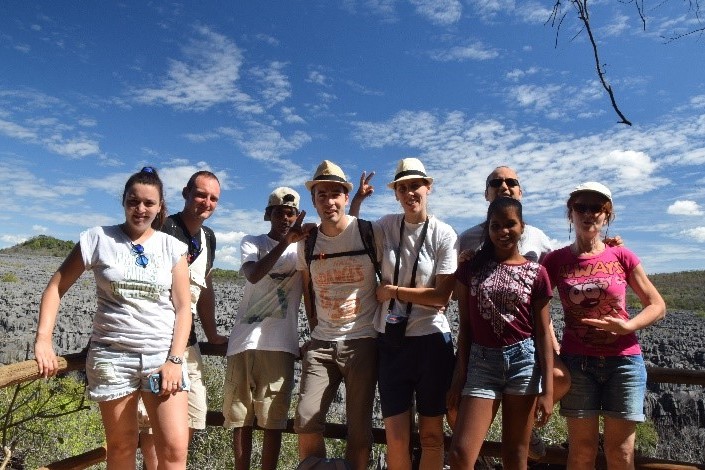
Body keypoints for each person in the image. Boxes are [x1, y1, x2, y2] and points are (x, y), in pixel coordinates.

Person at [34, 167, 192, 469]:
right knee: (121, 447)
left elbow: (184, 307)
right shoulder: (98, 239)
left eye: (149, 203)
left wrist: (175, 360)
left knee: (174, 452)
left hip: (161, 358)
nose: (141, 209)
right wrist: (43, 339)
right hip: (112, 358)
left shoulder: (173, 247)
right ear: (124, 201)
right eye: (134, 201)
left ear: (160, 207)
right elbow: (56, 287)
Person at [541, 182, 665, 470]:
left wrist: (627, 326)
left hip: (624, 362)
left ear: (607, 215)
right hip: (577, 363)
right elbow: (539, 309)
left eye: (596, 208)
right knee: (581, 452)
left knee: (620, 454)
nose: (588, 213)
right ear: (570, 213)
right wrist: (553, 347)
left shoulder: (622, 256)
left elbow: (657, 304)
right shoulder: (556, 260)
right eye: (580, 207)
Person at [454, 165, 569, 460]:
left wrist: (546, 388)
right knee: (461, 453)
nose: (503, 231)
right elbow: (465, 325)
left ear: (522, 226)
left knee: (515, 454)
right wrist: (459, 376)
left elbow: (542, 330)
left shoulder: (537, 269)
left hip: (523, 361)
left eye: (510, 225)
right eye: (496, 226)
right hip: (482, 361)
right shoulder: (470, 264)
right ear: (487, 227)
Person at [349, 158, 457, 470]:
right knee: (396, 438)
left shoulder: (444, 234)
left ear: (428, 187)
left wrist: (392, 291)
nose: (410, 193)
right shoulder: (386, 225)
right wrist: (357, 200)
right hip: (392, 343)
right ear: (396, 193)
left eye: (415, 186)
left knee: (432, 435)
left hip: (431, 343)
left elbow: (441, 296)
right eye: (403, 187)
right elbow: (351, 231)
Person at [294, 160, 383, 470]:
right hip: (321, 343)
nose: (329, 201)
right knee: (306, 418)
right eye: (322, 195)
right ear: (314, 200)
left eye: (336, 194)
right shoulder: (306, 243)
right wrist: (315, 329)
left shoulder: (370, 233)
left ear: (346, 198)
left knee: (359, 429)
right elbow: (308, 290)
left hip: (362, 341)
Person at [139, 170, 228, 468]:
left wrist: (213, 335)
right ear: (186, 193)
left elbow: (205, 288)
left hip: (187, 343)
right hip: (156, 341)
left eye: (213, 197)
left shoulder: (209, 238)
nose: (207, 202)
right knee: (154, 424)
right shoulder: (163, 226)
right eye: (201, 194)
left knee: (192, 414)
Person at [223, 187, 309, 470]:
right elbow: (254, 274)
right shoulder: (253, 242)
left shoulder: (302, 250)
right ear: (267, 214)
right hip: (243, 342)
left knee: (274, 420)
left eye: (291, 213)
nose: (286, 218)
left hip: (280, 343)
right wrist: (286, 243)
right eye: (279, 212)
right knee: (240, 419)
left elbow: (310, 291)